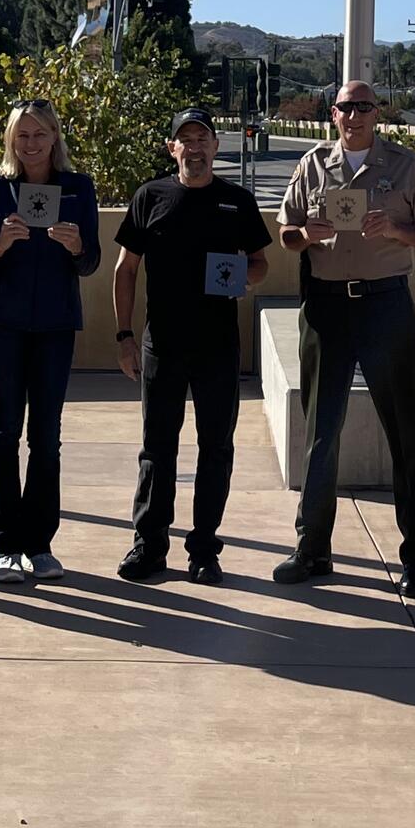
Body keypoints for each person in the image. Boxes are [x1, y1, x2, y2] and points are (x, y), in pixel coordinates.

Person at [273, 85, 415, 598]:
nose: (354, 115)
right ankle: (312, 549)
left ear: (377, 114)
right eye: (346, 107)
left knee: (406, 432)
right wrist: (306, 234)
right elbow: (285, 233)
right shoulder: (312, 164)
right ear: (334, 114)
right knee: (321, 432)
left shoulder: (408, 165)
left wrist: (395, 229)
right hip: (327, 307)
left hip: (385, 306)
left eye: (364, 107)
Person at [112, 107, 270, 584]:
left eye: (203, 138)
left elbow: (261, 263)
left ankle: (204, 548)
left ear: (215, 148)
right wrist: (123, 336)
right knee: (157, 447)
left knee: (215, 448)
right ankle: (149, 544)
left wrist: (244, 278)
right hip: (162, 344)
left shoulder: (237, 201)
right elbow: (125, 271)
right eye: (186, 139)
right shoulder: (150, 196)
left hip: (218, 346)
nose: (195, 147)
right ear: (172, 148)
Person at [0, 98, 100, 585]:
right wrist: (0, 243)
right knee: (4, 433)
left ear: (54, 137)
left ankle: (40, 545)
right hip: (2, 324)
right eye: (22, 135)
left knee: (46, 436)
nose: (31, 144)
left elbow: (91, 264)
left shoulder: (77, 189)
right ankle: (5, 546)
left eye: (39, 134)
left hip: (55, 326)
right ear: (11, 140)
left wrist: (77, 246)